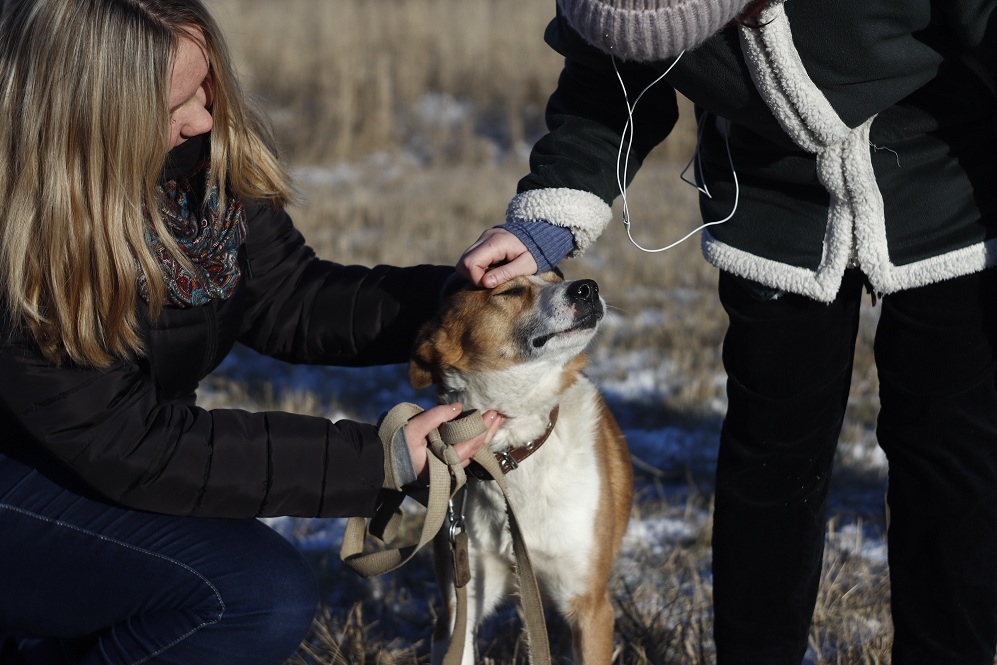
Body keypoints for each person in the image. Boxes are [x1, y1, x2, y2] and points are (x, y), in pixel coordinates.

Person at [457, 0, 997, 663]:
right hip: (768, 206)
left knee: (949, 457)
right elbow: (609, 89)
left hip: (946, 182)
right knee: (772, 459)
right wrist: (543, 222)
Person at [0, 1, 502, 663]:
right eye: (174, 102)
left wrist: (460, 301)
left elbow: (289, 298)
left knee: (246, 585)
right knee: (246, 595)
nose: (204, 116)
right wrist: (374, 460)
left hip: (90, 459)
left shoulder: (194, 170)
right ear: (87, 115)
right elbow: (132, 445)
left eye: (205, 84)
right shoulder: (23, 231)